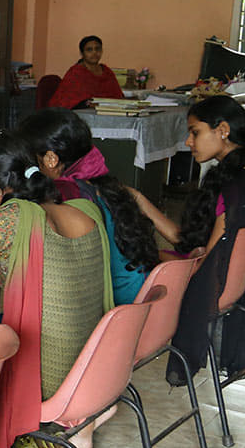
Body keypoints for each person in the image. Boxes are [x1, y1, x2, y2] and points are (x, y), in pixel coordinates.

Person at [0, 132, 112, 448]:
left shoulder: (14, 217)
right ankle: (85, 417)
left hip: (47, 376)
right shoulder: (81, 210)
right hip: (95, 365)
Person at [163, 96, 245, 385]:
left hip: (209, 288)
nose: (188, 142)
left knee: (121, 269)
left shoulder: (236, 189)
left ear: (222, 130)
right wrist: (141, 203)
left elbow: (205, 266)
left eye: (194, 132)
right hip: (229, 289)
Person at [20, 108, 159, 305]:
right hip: (137, 299)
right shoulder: (103, 185)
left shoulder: (66, 196)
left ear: (51, 159)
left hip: (112, 308)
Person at [48, 35, 124, 109]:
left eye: (97, 49)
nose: (94, 52)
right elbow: (67, 102)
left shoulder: (107, 72)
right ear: (82, 53)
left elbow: (118, 98)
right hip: (82, 114)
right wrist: (89, 104)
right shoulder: (76, 73)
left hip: (108, 112)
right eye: (89, 50)